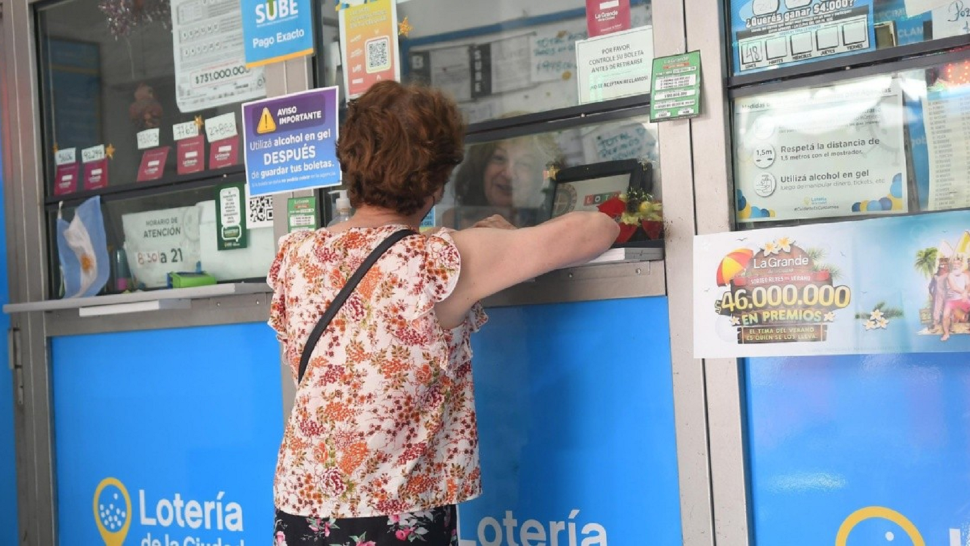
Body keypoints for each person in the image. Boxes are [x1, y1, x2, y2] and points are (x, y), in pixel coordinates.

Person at [267, 81, 618, 546]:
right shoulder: (436, 263)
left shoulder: (299, 256)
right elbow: (597, 229)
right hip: (394, 512)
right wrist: (490, 241)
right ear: (436, 180)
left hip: (302, 502)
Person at [443, 132, 562, 229]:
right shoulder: (453, 220)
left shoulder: (551, 223)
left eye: (524, 164)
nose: (509, 174)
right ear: (481, 166)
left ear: (538, 178)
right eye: (499, 158)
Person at [941, 257, 969, 341]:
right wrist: (964, 292)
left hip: (963, 299)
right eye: (954, 264)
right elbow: (954, 287)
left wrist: (966, 291)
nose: (956, 265)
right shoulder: (950, 275)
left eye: (958, 263)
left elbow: (968, 285)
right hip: (951, 300)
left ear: (961, 265)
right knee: (945, 316)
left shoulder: (965, 275)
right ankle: (946, 334)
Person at [929, 261, 948, 331]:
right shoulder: (935, 276)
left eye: (944, 267)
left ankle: (950, 325)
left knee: (948, 308)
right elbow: (930, 285)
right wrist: (931, 292)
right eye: (941, 267)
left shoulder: (948, 275)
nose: (943, 268)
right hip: (937, 294)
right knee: (937, 308)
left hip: (946, 294)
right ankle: (935, 324)